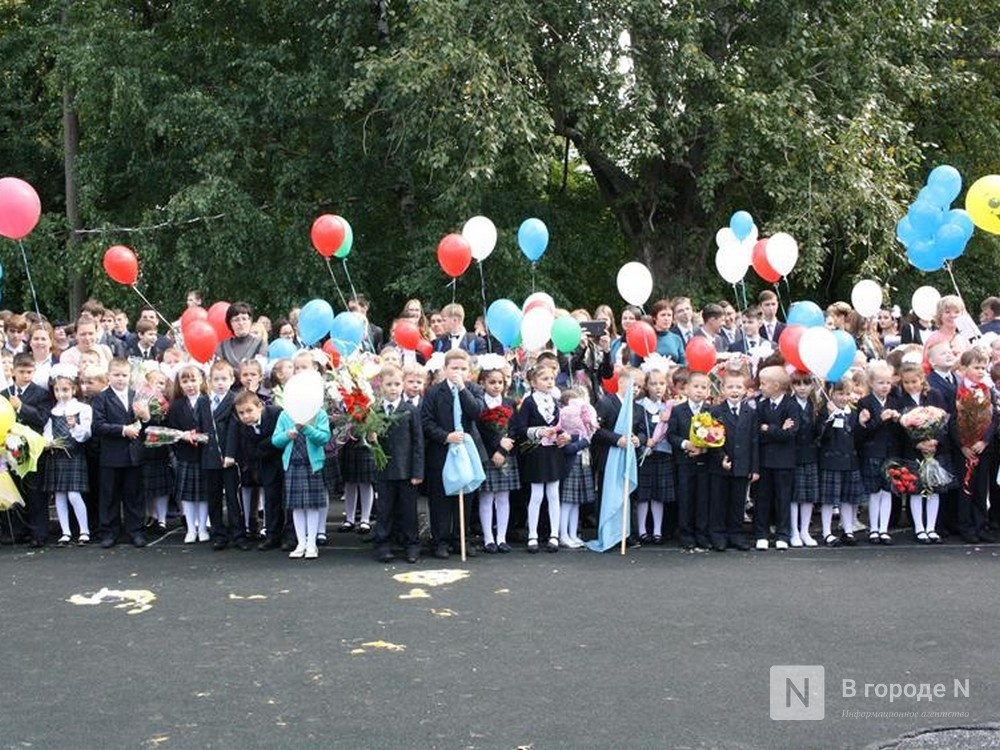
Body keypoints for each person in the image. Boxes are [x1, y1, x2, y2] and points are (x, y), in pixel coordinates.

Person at [421, 348, 486, 559]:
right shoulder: (433, 392)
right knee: (440, 497)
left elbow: (477, 412)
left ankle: (461, 539)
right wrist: (446, 436)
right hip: (442, 450)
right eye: (454, 368)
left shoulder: (474, 389)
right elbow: (427, 422)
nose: (458, 372)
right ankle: (440, 540)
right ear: (445, 369)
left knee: (465, 497)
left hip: (466, 451)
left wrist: (463, 390)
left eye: (463, 368)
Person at [511, 363, 569, 552]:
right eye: (544, 379)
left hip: (553, 452)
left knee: (553, 494)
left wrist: (564, 435)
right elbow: (520, 428)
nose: (549, 382)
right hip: (536, 452)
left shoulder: (556, 401)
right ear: (534, 383)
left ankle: (554, 534)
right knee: (536, 495)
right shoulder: (529, 402)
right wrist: (539, 432)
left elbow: (562, 425)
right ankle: (533, 535)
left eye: (551, 378)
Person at [91, 358, 148, 548]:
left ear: (130, 376)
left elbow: (148, 426)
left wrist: (146, 417)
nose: (120, 379)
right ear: (108, 376)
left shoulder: (137, 396)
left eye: (124, 375)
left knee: (134, 495)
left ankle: (136, 531)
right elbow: (98, 426)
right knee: (109, 496)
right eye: (116, 375)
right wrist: (123, 430)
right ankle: (109, 532)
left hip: (134, 455)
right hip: (111, 456)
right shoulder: (101, 398)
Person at [371, 363, 424, 563]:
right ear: (381, 386)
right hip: (384, 471)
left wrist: (417, 471)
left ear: (402, 385)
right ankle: (383, 543)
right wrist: (371, 437)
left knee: (409, 510)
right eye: (389, 384)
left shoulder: (410, 410)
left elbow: (418, 442)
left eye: (396, 384)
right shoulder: (375, 411)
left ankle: (412, 544)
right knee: (384, 509)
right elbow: (367, 443)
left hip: (406, 470)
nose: (393, 388)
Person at [895, 362, 952, 544]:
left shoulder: (934, 395)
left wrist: (935, 441)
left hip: (934, 451)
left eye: (915, 381)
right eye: (907, 382)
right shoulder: (900, 400)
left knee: (934, 490)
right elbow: (901, 429)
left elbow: (944, 421)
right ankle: (919, 527)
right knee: (916, 491)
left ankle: (931, 527)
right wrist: (918, 443)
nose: (911, 385)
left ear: (922, 379)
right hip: (914, 452)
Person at [272, 389, 332, 560]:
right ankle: (301, 543)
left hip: (311, 465)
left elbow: (324, 438)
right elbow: (275, 440)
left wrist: (306, 429)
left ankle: (311, 543)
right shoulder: (285, 415)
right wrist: (287, 435)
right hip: (293, 465)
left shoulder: (318, 414)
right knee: (296, 507)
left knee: (312, 506)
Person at [197, 360, 248, 550]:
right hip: (209, 457)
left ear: (231, 380)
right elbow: (200, 425)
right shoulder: (204, 401)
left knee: (233, 498)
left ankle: (238, 534)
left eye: (224, 379)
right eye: (216, 379)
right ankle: (219, 533)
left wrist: (230, 454)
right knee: (214, 496)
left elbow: (236, 429)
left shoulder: (234, 400)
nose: (220, 383)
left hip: (229, 458)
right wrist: (195, 436)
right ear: (210, 381)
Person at [707, 368, 757, 551]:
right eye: (730, 387)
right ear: (723, 389)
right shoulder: (716, 411)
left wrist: (754, 468)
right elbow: (711, 439)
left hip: (742, 466)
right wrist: (721, 457)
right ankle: (718, 535)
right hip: (720, 466)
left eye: (738, 387)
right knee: (719, 502)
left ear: (745, 390)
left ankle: (735, 534)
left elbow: (754, 441)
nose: (734, 391)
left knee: (738, 502)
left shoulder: (750, 412)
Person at [42, 367, 92, 546]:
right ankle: (65, 532)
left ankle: (84, 530)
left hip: (74, 456)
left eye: (65, 389)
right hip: (57, 456)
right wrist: (48, 442)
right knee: (59, 495)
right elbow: (47, 432)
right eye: (57, 390)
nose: (60, 394)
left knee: (74, 494)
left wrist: (74, 426)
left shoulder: (82, 408)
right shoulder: (53, 411)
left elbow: (85, 435)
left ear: (73, 389)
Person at [955, 348, 997, 544]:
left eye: (983, 367)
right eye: (976, 367)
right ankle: (966, 526)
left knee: (981, 488)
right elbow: (953, 421)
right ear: (964, 368)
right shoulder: (959, 391)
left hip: (983, 448)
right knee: (966, 488)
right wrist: (963, 445)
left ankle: (981, 525)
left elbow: (993, 419)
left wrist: (984, 441)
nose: (980, 371)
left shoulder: (986, 390)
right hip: (964, 449)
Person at [476, 361, 519, 553]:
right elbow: (479, 431)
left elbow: (514, 429)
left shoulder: (509, 403)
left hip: (506, 455)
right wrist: (494, 450)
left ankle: (501, 537)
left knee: (503, 497)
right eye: (492, 382)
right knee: (486, 497)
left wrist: (503, 451)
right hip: (487, 455)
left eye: (500, 382)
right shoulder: (479, 403)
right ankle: (488, 538)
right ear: (483, 383)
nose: (496, 386)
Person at [667, 369, 713, 550]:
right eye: (696, 387)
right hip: (684, 462)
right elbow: (671, 435)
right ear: (686, 389)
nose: (699, 391)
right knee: (685, 498)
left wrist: (704, 448)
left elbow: (717, 434)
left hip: (705, 461)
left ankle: (701, 533)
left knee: (703, 499)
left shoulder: (711, 410)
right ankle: (686, 534)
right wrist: (686, 444)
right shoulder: (678, 410)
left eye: (704, 387)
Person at [234, 389, 285, 551]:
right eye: (241, 413)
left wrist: (265, 444)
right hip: (265, 464)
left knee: (289, 500)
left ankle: (291, 535)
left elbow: (281, 438)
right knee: (271, 500)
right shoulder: (242, 427)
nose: (246, 416)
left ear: (260, 406)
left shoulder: (276, 414)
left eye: (249, 410)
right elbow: (251, 452)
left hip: (284, 460)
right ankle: (272, 535)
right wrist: (269, 444)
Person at [817, 378, 865, 546]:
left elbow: (858, 438)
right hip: (831, 461)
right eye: (839, 394)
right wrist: (830, 418)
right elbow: (822, 437)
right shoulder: (825, 411)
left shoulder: (853, 412)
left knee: (847, 498)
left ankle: (848, 529)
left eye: (847, 394)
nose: (844, 398)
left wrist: (861, 423)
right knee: (829, 499)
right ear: (831, 394)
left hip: (850, 460)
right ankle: (826, 532)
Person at [857, 361, 901, 544]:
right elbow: (863, 432)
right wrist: (879, 420)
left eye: (888, 383)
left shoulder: (894, 402)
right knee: (874, 492)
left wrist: (899, 420)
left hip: (890, 453)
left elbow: (900, 432)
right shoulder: (865, 403)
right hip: (872, 452)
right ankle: (874, 528)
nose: (885, 386)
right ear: (872, 383)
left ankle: (884, 529)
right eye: (881, 382)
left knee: (887, 491)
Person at [754, 366, 797, 550]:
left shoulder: (791, 405)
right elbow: (756, 431)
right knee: (763, 498)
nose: (760, 387)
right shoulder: (761, 405)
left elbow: (790, 433)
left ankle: (783, 534)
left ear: (776, 385)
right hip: (764, 460)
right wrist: (778, 429)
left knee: (783, 498)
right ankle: (761, 533)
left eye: (763, 383)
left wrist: (769, 429)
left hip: (784, 461)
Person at [167, 364, 209, 543]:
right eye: (185, 381)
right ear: (180, 384)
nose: (190, 384)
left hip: (204, 454)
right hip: (185, 454)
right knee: (187, 496)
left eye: (193, 380)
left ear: (200, 380)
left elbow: (211, 427)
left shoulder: (207, 401)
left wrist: (200, 436)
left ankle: (203, 528)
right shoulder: (176, 405)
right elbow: (171, 429)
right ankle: (191, 529)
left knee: (203, 495)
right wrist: (183, 435)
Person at [634, 366, 674, 544]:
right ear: (646, 386)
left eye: (662, 383)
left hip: (663, 453)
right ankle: (642, 530)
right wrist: (644, 442)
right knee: (643, 494)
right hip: (645, 454)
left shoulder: (669, 407)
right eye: (653, 384)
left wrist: (669, 420)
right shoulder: (639, 406)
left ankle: (657, 530)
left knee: (659, 495)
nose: (658, 387)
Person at [789, 372, 820, 548]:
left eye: (806, 383)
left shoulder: (816, 405)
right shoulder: (790, 404)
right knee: (795, 496)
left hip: (811, 454)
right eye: (798, 383)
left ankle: (805, 531)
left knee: (809, 496)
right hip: (794, 454)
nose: (802, 387)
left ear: (812, 385)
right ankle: (794, 531)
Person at [215, 301, 267, 367]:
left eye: (244, 319)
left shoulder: (260, 343)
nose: (241, 323)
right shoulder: (222, 346)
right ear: (230, 324)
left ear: (250, 321)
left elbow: (260, 369)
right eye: (236, 320)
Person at [649, 299, 685, 364]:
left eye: (669, 315)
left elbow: (684, 364)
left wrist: (673, 366)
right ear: (654, 317)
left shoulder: (677, 339)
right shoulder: (646, 338)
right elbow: (635, 365)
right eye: (663, 315)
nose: (666, 319)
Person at [27, 321, 58, 388]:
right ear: (30, 342)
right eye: (36, 339)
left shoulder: (58, 363)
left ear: (51, 342)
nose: (39, 342)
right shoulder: (22, 362)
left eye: (43, 339)